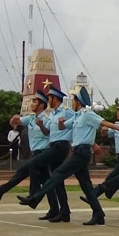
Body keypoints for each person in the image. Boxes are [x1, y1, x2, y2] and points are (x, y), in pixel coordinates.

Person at [17, 86, 119, 225]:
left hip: (82, 152)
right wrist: (61, 123)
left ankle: (35, 197)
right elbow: (63, 127)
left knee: (58, 173)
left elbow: (104, 123)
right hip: (78, 151)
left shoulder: (87, 114)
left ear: (78, 101)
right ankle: (98, 213)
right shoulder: (77, 116)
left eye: (74, 100)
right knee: (86, 185)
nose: (72, 103)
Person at [0, 90, 60, 219]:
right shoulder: (31, 118)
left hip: (43, 152)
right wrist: (13, 120)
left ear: (41, 105)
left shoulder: (47, 118)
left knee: (25, 171)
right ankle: (53, 209)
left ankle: (31, 196)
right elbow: (15, 122)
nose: (32, 104)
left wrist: (41, 125)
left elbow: (48, 133)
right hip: (35, 152)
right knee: (46, 181)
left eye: (35, 101)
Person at [21, 86, 73, 222]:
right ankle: (64, 212)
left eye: (49, 97)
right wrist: (41, 125)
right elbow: (47, 132)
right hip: (53, 145)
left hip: (60, 147)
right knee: (57, 181)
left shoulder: (66, 112)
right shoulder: (53, 114)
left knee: (34, 164)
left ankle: (33, 196)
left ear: (55, 98)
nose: (48, 99)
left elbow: (78, 121)